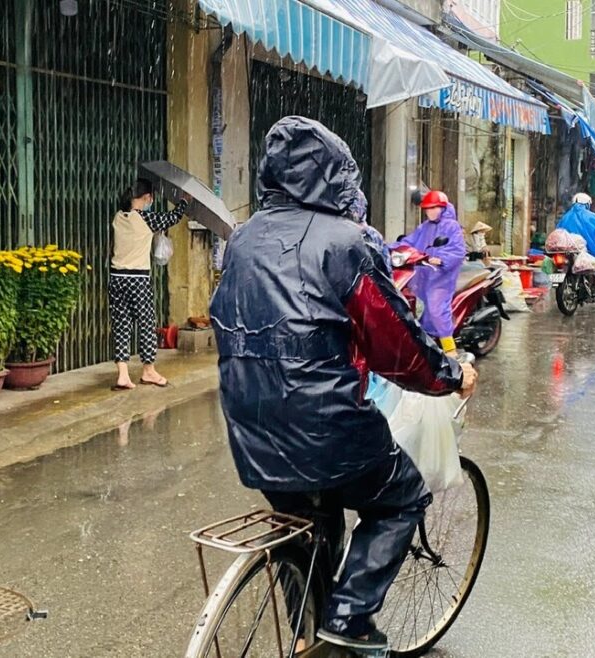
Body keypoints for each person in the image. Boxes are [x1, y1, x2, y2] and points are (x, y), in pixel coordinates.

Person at [210, 116, 476, 652]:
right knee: (400, 499)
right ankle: (349, 620)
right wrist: (449, 375)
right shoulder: (347, 242)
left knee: (305, 525)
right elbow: (396, 344)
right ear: (335, 177)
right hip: (328, 426)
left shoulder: (243, 239)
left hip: (250, 425)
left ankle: (309, 635)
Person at [109, 178, 189, 391]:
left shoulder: (118, 217)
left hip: (116, 278)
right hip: (137, 279)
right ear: (146, 198)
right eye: (150, 199)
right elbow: (173, 217)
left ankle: (123, 375)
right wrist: (183, 202)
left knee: (121, 324)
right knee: (145, 323)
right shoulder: (146, 217)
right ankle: (148, 371)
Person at [397, 190, 467, 356]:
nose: (430, 212)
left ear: (442, 208)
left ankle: (450, 349)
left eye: (434, 208)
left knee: (436, 309)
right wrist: (393, 247)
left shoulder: (452, 226)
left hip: (441, 277)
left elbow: (458, 250)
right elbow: (410, 241)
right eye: (427, 209)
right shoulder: (425, 227)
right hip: (422, 275)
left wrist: (441, 259)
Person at [557, 192, 595, 291]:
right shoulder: (592, 216)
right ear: (587, 204)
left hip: (566, 250)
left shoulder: (565, 217)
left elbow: (558, 231)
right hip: (589, 249)